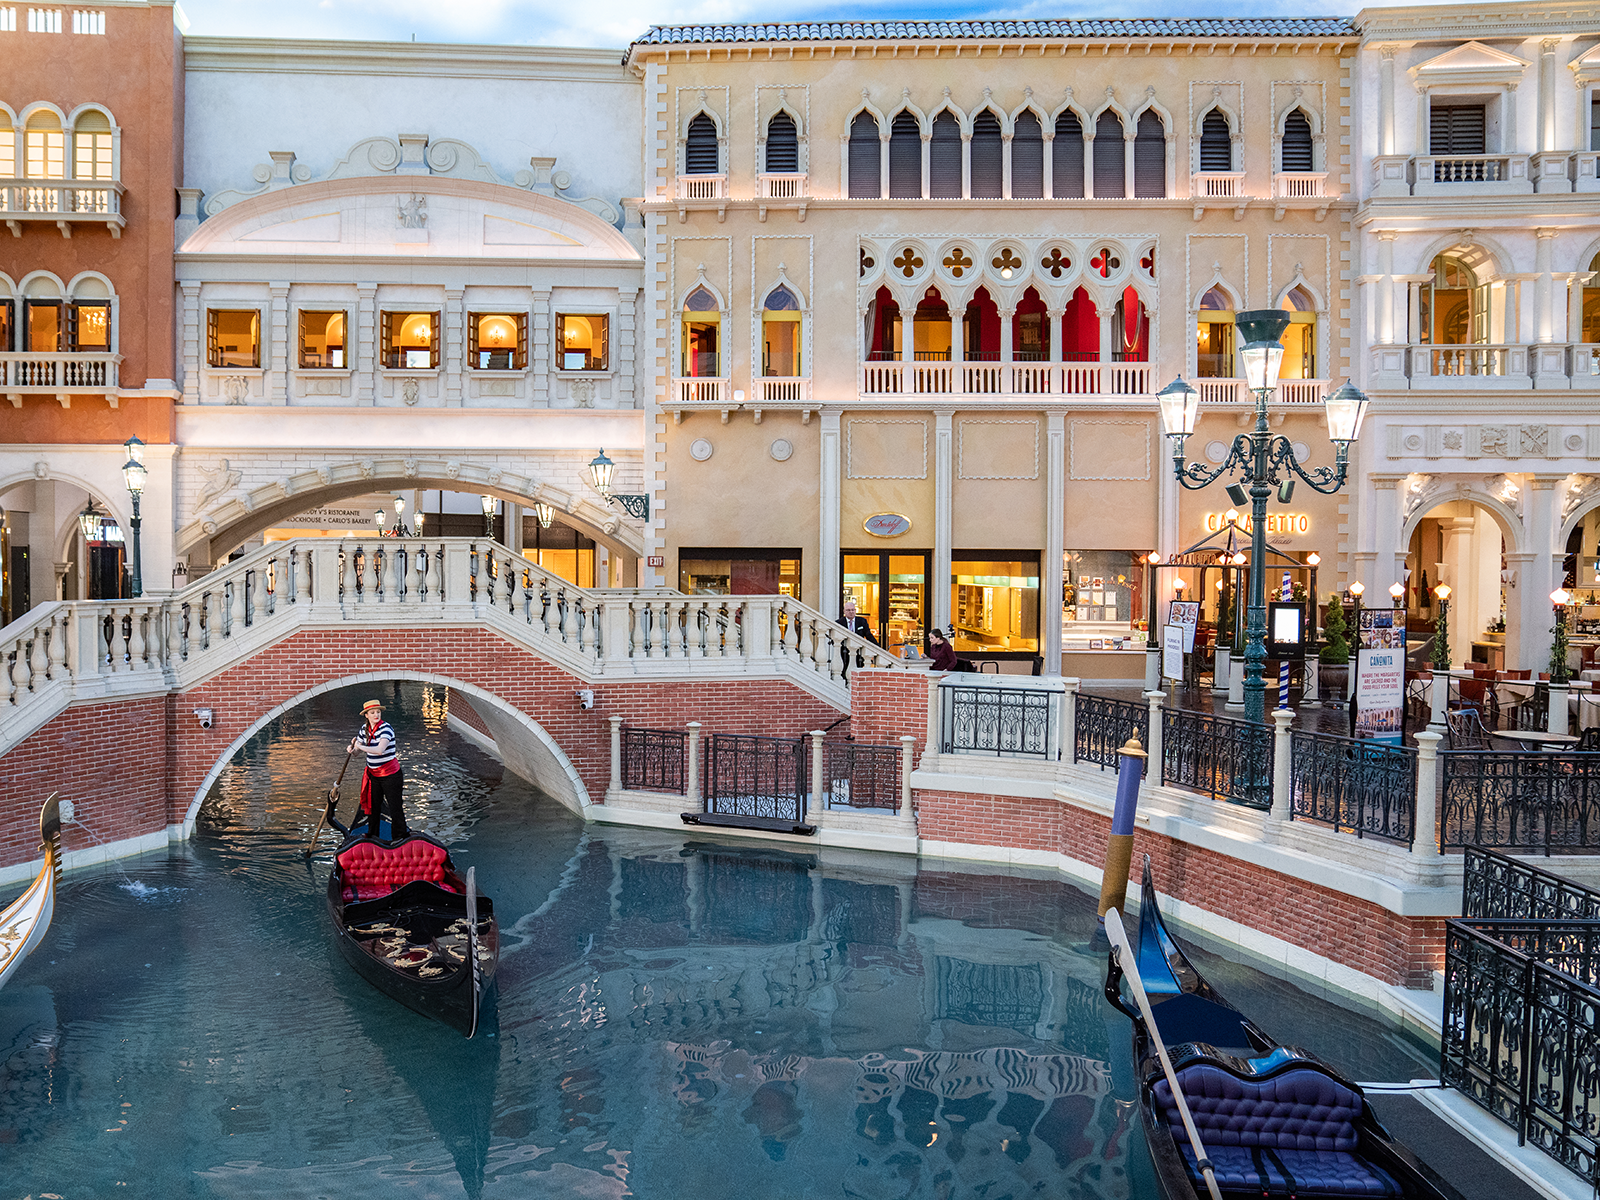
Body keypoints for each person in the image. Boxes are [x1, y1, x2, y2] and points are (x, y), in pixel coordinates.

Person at [349, 699, 409, 840]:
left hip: (391, 776)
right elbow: (357, 753)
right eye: (373, 712)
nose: (376, 715)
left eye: (378, 712)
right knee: (373, 807)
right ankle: (373, 836)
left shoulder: (386, 728)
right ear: (367, 715)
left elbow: (380, 750)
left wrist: (360, 746)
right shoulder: (364, 730)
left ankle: (399, 838)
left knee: (395, 808)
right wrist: (352, 750)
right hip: (373, 776)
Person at [839, 598, 877, 679]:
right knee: (845, 672)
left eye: (853, 610)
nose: (851, 612)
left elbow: (868, 635)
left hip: (859, 653)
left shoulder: (862, 621)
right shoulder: (839, 623)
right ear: (844, 611)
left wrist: (878, 647)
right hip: (844, 653)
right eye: (848, 610)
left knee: (857, 672)